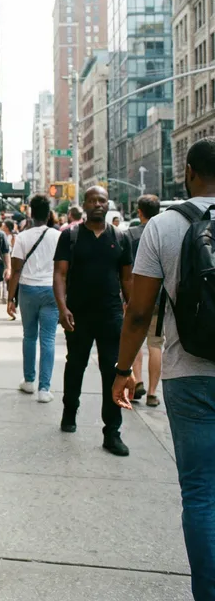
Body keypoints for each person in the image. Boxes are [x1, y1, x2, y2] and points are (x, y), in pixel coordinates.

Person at [113, 138, 215, 600]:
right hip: (186, 376)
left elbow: (139, 311)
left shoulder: (163, 226)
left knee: (200, 494)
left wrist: (122, 370)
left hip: (187, 371)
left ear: (189, 172)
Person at [53, 185, 133, 456]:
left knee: (113, 372)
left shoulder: (120, 238)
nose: (98, 204)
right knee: (76, 364)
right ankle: (69, 411)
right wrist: (62, 307)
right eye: (93, 200)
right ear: (84, 204)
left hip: (111, 315)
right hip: (78, 314)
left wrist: (131, 309)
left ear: (108, 204)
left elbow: (127, 278)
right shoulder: (71, 236)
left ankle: (112, 432)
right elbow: (60, 275)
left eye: (102, 200)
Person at [7, 194, 61, 402]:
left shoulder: (22, 237)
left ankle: (29, 381)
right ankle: (44, 389)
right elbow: (64, 269)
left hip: (28, 289)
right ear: (48, 214)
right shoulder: (57, 237)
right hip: (51, 290)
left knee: (29, 336)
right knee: (48, 339)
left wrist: (11, 298)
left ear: (30, 213)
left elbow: (16, 270)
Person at [124, 194, 163, 406]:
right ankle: (153, 393)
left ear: (139, 212)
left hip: (135, 296)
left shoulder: (129, 235)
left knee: (136, 338)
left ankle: (137, 381)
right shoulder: (163, 233)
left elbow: (125, 270)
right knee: (156, 344)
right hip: (159, 297)